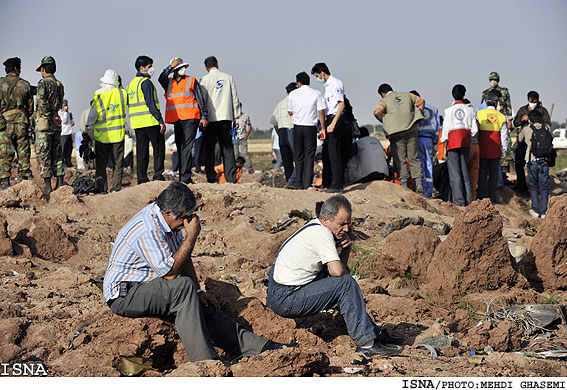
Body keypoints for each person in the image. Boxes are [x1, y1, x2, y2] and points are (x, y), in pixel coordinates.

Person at [103, 182, 295, 362]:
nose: (187, 222)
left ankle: (265, 348)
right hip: (125, 295)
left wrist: (198, 291)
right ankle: (206, 363)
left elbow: (182, 259)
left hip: (153, 288)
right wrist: (192, 236)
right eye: (185, 217)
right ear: (168, 212)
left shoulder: (168, 221)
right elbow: (170, 273)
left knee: (203, 306)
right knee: (182, 288)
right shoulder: (147, 229)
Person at [266, 195, 402, 357]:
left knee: (342, 284)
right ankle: (366, 344)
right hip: (286, 298)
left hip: (281, 293)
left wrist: (346, 250)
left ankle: (374, 333)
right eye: (341, 224)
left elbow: (336, 274)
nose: (346, 229)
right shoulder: (321, 233)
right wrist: (344, 255)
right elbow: (338, 273)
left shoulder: (315, 227)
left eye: (348, 224)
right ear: (325, 219)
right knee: (346, 285)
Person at [158, 58, 208, 184]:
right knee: (181, 147)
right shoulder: (168, 82)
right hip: (177, 119)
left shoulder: (191, 81)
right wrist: (170, 66)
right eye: (180, 68)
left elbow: (200, 99)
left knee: (186, 146)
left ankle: (185, 178)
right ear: (174, 70)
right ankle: (183, 176)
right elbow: (160, 78)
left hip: (191, 118)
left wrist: (204, 116)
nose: (183, 70)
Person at [374, 83, 423, 193]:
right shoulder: (408, 95)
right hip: (412, 130)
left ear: (382, 94)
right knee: (414, 157)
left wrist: (385, 122)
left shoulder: (385, 101)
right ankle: (418, 183)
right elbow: (421, 102)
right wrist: (417, 114)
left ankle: (404, 187)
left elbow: (377, 112)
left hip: (396, 134)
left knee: (400, 160)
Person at [199, 56, 241, 183]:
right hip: (226, 118)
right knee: (227, 150)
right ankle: (231, 179)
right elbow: (235, 99)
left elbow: (202, 101)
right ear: (217, 64)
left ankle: (211, 178)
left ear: (206, 67)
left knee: (210, 150)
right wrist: (237, 118)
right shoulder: (229, 78)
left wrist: (202, 118)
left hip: (210, 119)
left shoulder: (204, 80)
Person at [85, 69, 127, 193]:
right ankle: (116, 189)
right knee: (118, 164)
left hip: (102, 136)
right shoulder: (122, 93)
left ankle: (102, 188)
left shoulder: (99, 94)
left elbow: (92, 115)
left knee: (101, 164)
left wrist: (87, 129)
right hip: (118, 135)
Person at [311, 63, 351, 193]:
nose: (318, 78)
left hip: (336, 119)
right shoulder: (327, 86)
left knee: (334, 153)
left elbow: (341, 105)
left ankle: (337, 184)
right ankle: (328, 182)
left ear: (323, 72)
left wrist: (333, 123)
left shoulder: (335, 84)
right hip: (329, 119)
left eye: (318, 76)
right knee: (327, 153)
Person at [127, 55, 166, 184]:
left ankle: (142, 179)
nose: (151, 69)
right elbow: (151, 104)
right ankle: (158, 175)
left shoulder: (131, 84)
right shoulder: (146, 82)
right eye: (149, 66)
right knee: (158, 148)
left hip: (137, 123)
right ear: (142, 68)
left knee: (141, 152)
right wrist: (160, 120)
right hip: (150, 121)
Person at [287, 71, 326, 190]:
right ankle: (307, 184)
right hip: (311, 128)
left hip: (298, 127)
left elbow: (290, 111)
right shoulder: (316, 93)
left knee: (298, 157)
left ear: (298, 83)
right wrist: (323, 128)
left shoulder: (293, 94)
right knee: (309, 157)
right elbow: (320, 111)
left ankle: (298, 183)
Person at [0, 57, 34, 189]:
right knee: (23, 151)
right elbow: (30, 108)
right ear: (16, 69)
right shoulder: (25, 85)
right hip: (21, 123)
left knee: (5, 153)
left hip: (5, 124)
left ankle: (5, 183)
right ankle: (25, 182)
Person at [441, 85, 477, 207]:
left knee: (455, 175)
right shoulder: (470, 110)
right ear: (463, 95)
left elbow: (445, 133)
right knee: (465, 173)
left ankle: (459, 202)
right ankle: (469, 201)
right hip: (465, 143)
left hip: (452, 144)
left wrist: (444, 149)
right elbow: (474, 130)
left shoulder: (448, 111)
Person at [34, 56, 65, 195]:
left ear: (43, 69)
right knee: (57, 154)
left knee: (44, 154)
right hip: (56, 124)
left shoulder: (43, 83)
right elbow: (59, 103)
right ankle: (60, 183)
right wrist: (55, 116)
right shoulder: (59, 85)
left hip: (45, 125)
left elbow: (41, 103)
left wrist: (50, 116)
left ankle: (47, 186)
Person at [513, 91, 551, 195]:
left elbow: (548, 124)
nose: (532, 103)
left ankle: (538, 189)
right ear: (528, 100)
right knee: (519, 163)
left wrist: (537, 122)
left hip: (538, 143)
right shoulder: (522, 110)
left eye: (534, 101)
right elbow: (515, 123)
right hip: (523, 141)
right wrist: (522, 119)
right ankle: (522, 188)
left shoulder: (542, 111)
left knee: (537, 165)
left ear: (537, 100)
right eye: (530, 101)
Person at [518, 109, 552, 218]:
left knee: (533, 186)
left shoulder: (527, 129)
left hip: (531, 160)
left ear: (530, 120)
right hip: (545, 160)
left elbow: (519, 140)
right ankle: (543, 211)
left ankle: (535, 210)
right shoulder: (547, 128)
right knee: (544, 187)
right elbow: (551, 138)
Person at [480, 72, 513, 185]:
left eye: (495, 79)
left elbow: (508, 106)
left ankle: (503, 175)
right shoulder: (485, 93)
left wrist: (509, 120)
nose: (493, 81)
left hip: (502, 120)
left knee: (505, 147)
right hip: (489, 123)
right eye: (491, 79)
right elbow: (481, 108)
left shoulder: (504, 91)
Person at [476, 91, 508, 204]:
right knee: (494, 174)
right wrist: (504, 150)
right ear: (496, 103)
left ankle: (481, 197)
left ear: (485, 102)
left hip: (482, 148)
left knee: (482, 173)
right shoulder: (502, 116)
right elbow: (503, 135)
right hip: (495, 149)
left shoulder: (479, 114)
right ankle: (492, 198)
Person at [410, 90, 439, 198]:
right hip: (430, 141)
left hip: (418, 139)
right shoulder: (433, 109)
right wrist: (435, 141)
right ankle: (429, 190)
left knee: (420, 165)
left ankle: (424, 192)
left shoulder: (414, 108)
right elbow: (437, 127)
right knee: (429, 165)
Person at [270, 82, 297, 187]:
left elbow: (274, 122)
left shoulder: (280, 104)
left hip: (282, 132)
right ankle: (294, 181)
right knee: (298, 158)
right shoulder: (296, 102)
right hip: (292, 131)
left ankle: (289, 179)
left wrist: (279, 133)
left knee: (287, 160)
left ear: (287, 92)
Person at [233, 104, 254, 173]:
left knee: (245, 154)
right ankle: (235, 169)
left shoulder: (245, 116)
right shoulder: (232, 117)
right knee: (235, 154)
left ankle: (250, 168)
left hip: (242, 137)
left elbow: (250, 125)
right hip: (235, 138)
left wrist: (247, 134)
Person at [58, 99, 74, 168]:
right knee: (63, 149)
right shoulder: (60, 113)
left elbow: (70, 120)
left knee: (69, 148)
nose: (66, 107)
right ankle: (63, 163)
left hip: (69, 132)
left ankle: (68, 161)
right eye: (64, 106)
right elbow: (63, 121)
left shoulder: (69, 113)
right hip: (63, 133)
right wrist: (65, 112)